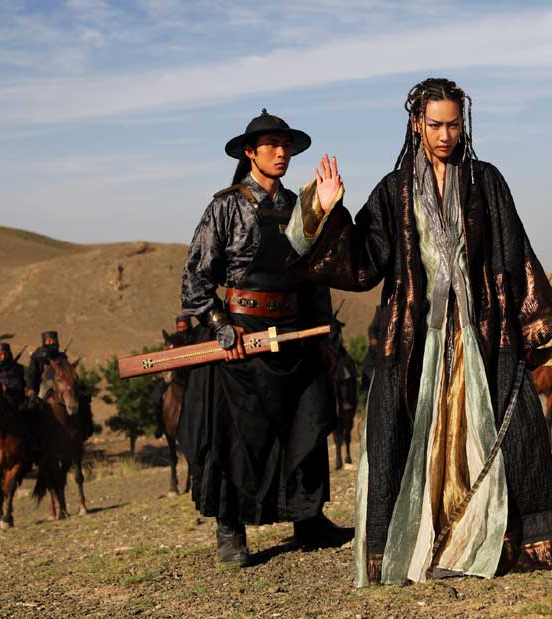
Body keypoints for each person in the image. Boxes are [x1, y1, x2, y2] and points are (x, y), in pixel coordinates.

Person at [285, 78, 552, 585]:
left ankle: (501, 538)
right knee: (400, 437)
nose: (445, 135)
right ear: (417, 123)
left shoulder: (486, 181)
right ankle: (416, 544)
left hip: (482, 332)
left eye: (453, 124)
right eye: (435, 124)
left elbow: (516, 255)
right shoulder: (394, 190)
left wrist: (538, 325)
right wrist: (324, 211)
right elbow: (363, 262)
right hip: (416, 338)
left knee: (509, 431)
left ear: (464, 124)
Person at [177, 109, 350, 568]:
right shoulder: (225, 206)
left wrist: (323, 337)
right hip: (242, 334)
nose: (281, 153)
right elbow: (196, 277)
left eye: (286, 145)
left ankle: (309, 520)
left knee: (306, 420)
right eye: (272, 145)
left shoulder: (299, 205)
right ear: (250, 153)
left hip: (296, 331)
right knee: (239, 435)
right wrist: (220, 324)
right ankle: (230, 528)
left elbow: (315, 274)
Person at [25, 330, 96, 441]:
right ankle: (32, 438)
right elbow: (31, 375)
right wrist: (31, 389)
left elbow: (69, 374)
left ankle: (85, 430)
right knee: (30, 409)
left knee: (83, 399)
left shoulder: (62, 358)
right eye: (48, 341)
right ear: (44, 342)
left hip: (62, 387)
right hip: (41, 388)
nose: (51, 343)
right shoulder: (36, 358)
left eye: (53, 341)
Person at [153, 315, 194, 439]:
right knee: (156, 396)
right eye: (179, 327)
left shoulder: (195, 337)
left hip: (194, 373)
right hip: (176, 374)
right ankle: (160, 425)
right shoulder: (174, 339)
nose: (181, 329)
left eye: (184, 327)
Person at [359, 305, 384, 393]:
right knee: (367, 363)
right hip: (379, 347)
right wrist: (373, 339)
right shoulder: (381, 309)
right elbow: (372, 328)